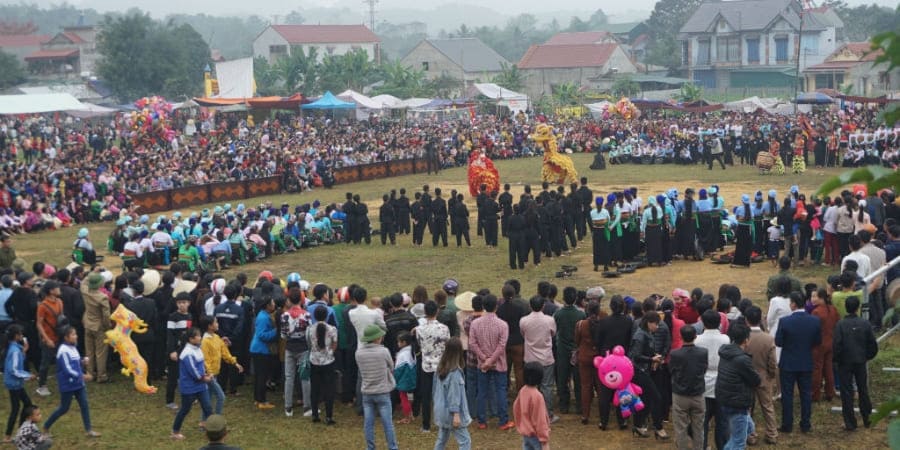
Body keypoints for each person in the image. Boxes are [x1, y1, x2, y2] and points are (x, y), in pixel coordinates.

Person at [774, 292, 821, 433]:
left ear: (793, 304)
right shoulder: (814, 321)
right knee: (805, 394)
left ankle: (787, 424)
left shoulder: (785, 321)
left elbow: (779, 342)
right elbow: (817, 341)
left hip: (788, 363)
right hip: (806, 361)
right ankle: (805, 424)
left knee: (787, 395)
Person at [43, 326, 100, 438]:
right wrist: (82, 376)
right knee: (64, 408)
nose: (76, 336)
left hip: (78, 383)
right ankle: (46, 427)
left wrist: (82, 361)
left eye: (75, 334)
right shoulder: (63, 350)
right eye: (73, 334)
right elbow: (67, 369)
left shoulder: (73, 348)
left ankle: (88, 430)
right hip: (68, 384)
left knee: (84, 405)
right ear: (66, 337)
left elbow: (75, 363)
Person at [468, 294, 513, 430]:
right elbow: (502, 345)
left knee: (482, 391)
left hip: (482, 364)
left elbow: (472, 343)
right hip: (499, 363)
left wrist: (484, 359)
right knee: (500, 390)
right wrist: (491, 360)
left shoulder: (475, 323)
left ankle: (482, 421)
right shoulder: (502, 325)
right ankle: (503, 420)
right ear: (496, 306)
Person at [833, 296, 878, 430]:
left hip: (845, 363)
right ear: (858, 308)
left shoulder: (841, 324)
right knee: (863, 389)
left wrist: (837, 360)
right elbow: (872, 344)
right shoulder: (865, 324)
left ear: (846, 308)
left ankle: (850, 423)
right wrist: (867, 356)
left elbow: (837, 345)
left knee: (846, 393)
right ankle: (868, 419)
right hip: (860, 361)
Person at [716, 323, 761, 450]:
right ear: (746, 340)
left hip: (724, 399)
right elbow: (756, 380)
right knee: (739, 442)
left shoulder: (725, 352)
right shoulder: (742, 359)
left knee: (743, 431)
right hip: (737, 403)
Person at [592, 295, 633, 430]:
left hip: (607, 360)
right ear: (623, 307)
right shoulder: (628, 321)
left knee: (605, 392)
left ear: (611, 307)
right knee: (622, 390)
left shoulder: (604, 322)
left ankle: (603, 421)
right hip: (623, 360)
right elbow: (630, 340)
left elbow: (598, 341)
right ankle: (622, 420)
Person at [356, 324, 399, 450]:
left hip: (367, 392)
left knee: (368, 423)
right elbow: (392, 367)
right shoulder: (384, 351)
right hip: (382, 391)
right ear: (376, 338)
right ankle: (392, 447)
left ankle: (370, 447)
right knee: (387, 423)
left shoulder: (359, 353)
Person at [628, 312, 668, 439]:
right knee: (656, 397)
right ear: (649, 323)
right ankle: (658, 427)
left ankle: (638, 425)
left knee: (645, 399)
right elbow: (636, 356)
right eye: (656, 324)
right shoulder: (640, 335)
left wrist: (654, 358)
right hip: (639, 371)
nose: (657, 327)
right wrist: (652, 359)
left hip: (644, 370)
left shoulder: (647, 333)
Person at [519, 296, 558, 424]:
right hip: (546, 357)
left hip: (530, 358)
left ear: (530, 306)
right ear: (543, 306)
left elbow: (523, 334)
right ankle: (548, 415)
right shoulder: (549, 320)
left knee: (530, 387)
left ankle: (531, 413)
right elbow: (553, 334)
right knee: (547, 387)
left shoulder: (524, 320)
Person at [694, 309, 729, 450]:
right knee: (722, 422)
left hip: (704, 383)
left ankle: (702, 446)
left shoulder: (698, 340)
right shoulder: (725, 339)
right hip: (722, 382)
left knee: (702, 422)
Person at [744, 306, 778, 445]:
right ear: (761, 319)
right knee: (767, 406)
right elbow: (772, 362)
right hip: (764, 377)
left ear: (746, 320)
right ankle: (772, 433)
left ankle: (750, 435)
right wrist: (771, 375)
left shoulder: (744, 338)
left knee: (747, 408)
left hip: (747, 378)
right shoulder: (768, 339)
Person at [170, 327, 211, 440]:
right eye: (198, 335)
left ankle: (212, 431)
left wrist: (206, 374)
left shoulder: (197, 348)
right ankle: (175, 431)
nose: (200, 337)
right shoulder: (187, 353)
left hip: (201, 385)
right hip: (189, 386)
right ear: (191, 339)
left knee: (207, 408)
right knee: (185, 409)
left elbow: (201, 365)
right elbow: (193, 371)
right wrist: (204, 378)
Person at [415, 300, 450, 432]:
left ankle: (426, 425)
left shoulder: (419, 330)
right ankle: (443, 421)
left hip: (426, 365)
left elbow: (419, 344)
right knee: (442, 395)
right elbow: (447, 345)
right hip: (441, 364)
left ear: (425, 312)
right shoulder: (444, 328)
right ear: (437, 311)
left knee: (426, 396)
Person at [200, 316, 243, 419]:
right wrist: (209, 373)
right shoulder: (205, 341)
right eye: (216, 322)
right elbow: (205, 360)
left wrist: (235, 363)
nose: (218, 324)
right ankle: (216, 420)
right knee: (221, 397)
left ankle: (204, 421)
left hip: (215, 374)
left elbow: (225, 353)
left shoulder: (216, 337)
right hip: (210, 375)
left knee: (208, 399)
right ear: (210, 326)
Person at [433, 337, 472, 450]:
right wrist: (456, 414)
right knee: (465, 441)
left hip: (441, 410)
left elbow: (435, 390)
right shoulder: (455, 373)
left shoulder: (440, 369)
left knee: (442, 439)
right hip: (451, 412)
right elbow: (454, 395)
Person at [553, 287, 585, 415]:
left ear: (564, 298)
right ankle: (579, 405)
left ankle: (564, 404)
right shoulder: (581, 314)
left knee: (562, 378)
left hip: (562, 350)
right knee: (578, 379)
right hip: (576, 350)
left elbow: (555, 331)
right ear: (576, 298)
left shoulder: (558, 314)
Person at [280, 291, 310, 417]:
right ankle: (307, 407)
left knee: (289, 377)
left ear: (289, 301)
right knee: (305, 378)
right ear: (301, 300)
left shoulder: (285, 315)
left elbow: (283, 335)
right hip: (303, 348)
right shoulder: (306, 315)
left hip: (290, 348)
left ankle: (288, 407)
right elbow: (309, 333)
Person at [306, 306, 338, 425]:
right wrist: (330, 352)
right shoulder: (332, 329)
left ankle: (315, 414)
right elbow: (335, 343)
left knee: (315, 388)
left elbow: (309, 344)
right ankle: (329, 416)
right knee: (329, 389)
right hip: (328, 361)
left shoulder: (310, 329)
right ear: (326, 316)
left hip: (314, 360)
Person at [574, 300, 603, 425]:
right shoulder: (602, 324)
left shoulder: (580, 325)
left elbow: (576, 341)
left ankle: (585, 415)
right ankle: (603, 414)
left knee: (585, 386)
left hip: (584, 357)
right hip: (599, 359)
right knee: (600, 387)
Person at [5, 324, 34, 443]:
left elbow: (18, 361)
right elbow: (14, 370)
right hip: (15, 384)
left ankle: (18, 431)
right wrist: (28, 375)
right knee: (19, 408)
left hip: (15, 384)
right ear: (16, 336)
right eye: (21, 334)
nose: (22, 336)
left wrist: (24, 350)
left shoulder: (15, 348)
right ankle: (11, 434)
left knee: (24, 405)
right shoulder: (15, 350)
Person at [810, 288, 839, 402]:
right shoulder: (832, 309)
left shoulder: (816, 312)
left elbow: (812, 329)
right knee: (828, 369)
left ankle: (815, 394)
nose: (812, 299)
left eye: (815, 296)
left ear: (821, 298)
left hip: (819, 345)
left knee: (817, 369)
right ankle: (829, 392)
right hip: (830, 342)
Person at [35, 281, 64, 398]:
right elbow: (39, 324)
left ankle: (65, 384)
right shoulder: (42, 306)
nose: (59, 289)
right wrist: (46, 339)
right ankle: (42, 385)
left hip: (60, 336)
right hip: (48, 338)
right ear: (51, 291)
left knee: (62, 362)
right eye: (57, 288)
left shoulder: (60, 302)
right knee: (45, 364)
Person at [513, 362, 551, 450]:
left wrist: (520, 425)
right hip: (536, 436)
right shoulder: (537, 396)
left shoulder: (522, 391)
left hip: (526, 434)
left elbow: (516, 408)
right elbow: (540, 420)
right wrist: (544, 439)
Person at [80, 273, 110, 384]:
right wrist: (107, 327)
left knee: (89, 351)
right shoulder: (102, 297)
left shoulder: (85, 291)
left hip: (87, 323)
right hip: (99, 327)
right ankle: (101, 375)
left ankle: (90, 373)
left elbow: (83, 282)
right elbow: (106, 316)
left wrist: (91, 275)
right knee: (100, 352)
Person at [165, 293, 192, 409]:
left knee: (186, 375)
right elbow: (170, 335)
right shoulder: (173, 317)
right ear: (176, 304)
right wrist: (172, 351)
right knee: (173, 376)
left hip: (186, 350)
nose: (182, 305)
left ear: (189, 303)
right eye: (180, 303)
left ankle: (188, 396)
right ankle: (169, 400)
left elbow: (188, 334)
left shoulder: (190, 316)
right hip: (175, 351)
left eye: (184, 302)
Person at [249, 296, 277, 410]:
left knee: (259, 376)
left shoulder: (262, 315)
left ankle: (257, 398)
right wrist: (276, 330)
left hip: (258, 349)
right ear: (268, 305)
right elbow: (262, 335)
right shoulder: (264, 318)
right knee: (262, 376)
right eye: (273, 303)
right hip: (261, 350)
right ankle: (262, 401)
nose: (274, 304)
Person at [393, 332, 416, 424]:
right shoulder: (412, 351)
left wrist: (395, 379)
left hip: (404, 379)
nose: (397, 344)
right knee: (407, 398)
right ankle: (410, 415)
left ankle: (407, 417)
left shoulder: (402, 354)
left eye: (399, 342)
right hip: (410, 377)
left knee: (403, 398)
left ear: (404, 342)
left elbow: (398, 370)